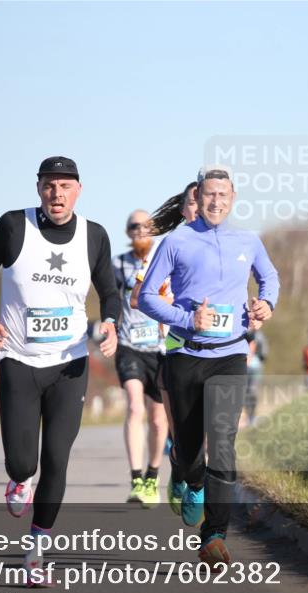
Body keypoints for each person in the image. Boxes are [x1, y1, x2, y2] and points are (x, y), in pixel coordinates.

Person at [0, 156, 120, 583]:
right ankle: (19, 480)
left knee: (57, 458)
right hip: (18, 360)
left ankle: (36, 551)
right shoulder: (14, 226)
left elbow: (109, 291)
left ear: (79, 189)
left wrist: (110, 323)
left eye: (65, 186)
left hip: (69, 366)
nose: (57, 194)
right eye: (49, 186)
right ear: (38, 189)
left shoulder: (94, 236)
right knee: (22, 462)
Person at [139, 165, 280, 568]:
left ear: (232, 198)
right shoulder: (176, 242)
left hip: (230, 355)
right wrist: (186, 320)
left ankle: (215, 535)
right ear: (198, 198)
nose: (216, 201)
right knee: (187, 450)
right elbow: (148, 297)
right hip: (185, 355)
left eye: (223, 194)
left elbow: (270, 279)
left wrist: (265, 304)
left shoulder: (248, 241)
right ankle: (187, 476)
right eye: (209, 194)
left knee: (222, 442)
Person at [132, 182, 198, 515]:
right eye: (193, 202)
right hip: (172, 349)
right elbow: (137, 297)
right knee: (178, 428)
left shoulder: (221, 247)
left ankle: (194, 481)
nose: (201, 207)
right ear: (183, 209)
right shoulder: (172, 246)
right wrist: (167, 302)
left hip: (212, 351)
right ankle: (179, 469)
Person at [113, 209, 169, 508]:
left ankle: (152, 474)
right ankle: (136, 478)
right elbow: (108, 299)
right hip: (129, 346)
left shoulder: (164, 260)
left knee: (159, 420)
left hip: (160, 349)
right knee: (135, 407)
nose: (140, 231)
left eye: (146, 226)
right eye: (135, 226)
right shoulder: (118, 264)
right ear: (128, 232)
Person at [243, 328, 267, 426]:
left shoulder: (259, 334)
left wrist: (260, 359)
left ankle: (252, 417)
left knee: (252, 392)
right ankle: (246, 417)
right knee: (242, 393)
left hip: (255, 367)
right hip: (242, 367)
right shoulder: (240, 332)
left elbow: (264, 349)